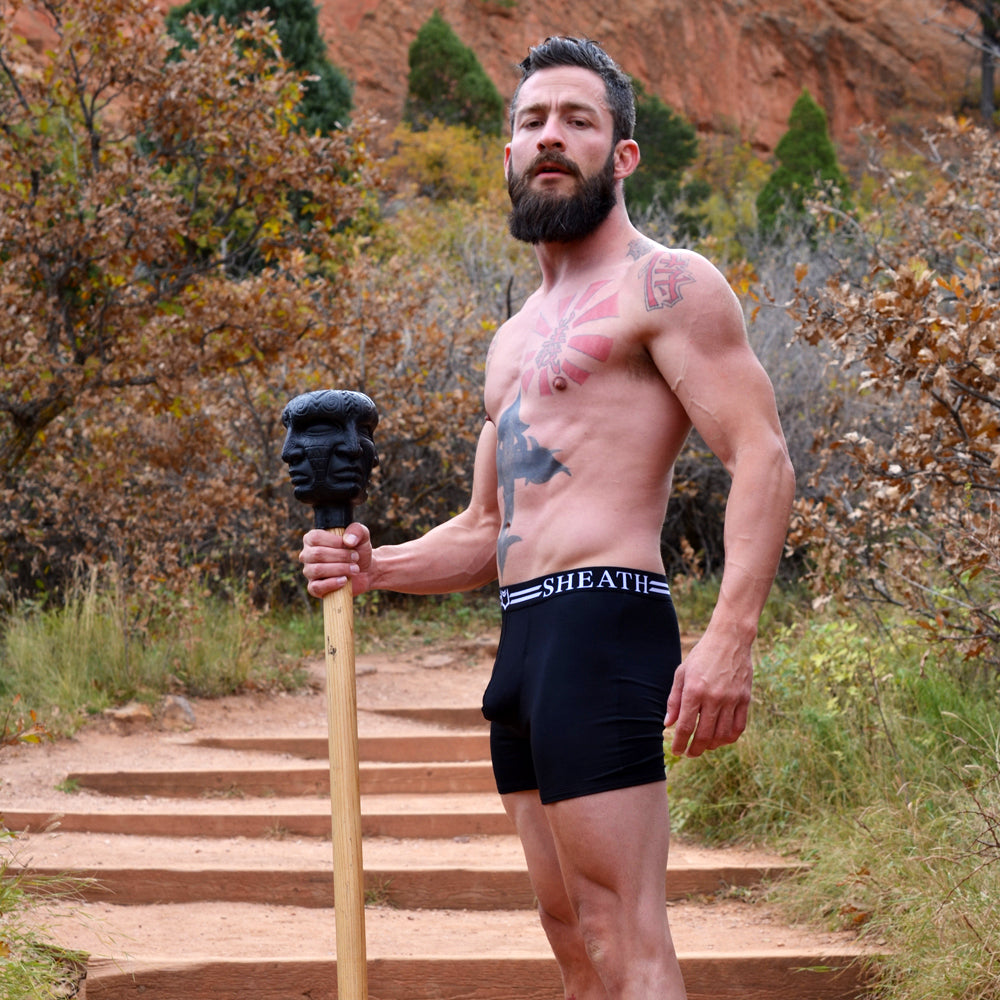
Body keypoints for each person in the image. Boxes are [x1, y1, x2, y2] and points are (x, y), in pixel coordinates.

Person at [298, 36, 795, 1000]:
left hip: (606, 621)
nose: (551, 136)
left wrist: (731, 636)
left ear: (623, 153)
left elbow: (761, 456)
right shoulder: (512, 341)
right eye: (531, 122)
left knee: (622, 930)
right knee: (570, 935)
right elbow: (488, 529)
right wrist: (373, 565)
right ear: (509, 155)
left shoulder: (668, 284)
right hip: (524, 639)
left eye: (577, 119)